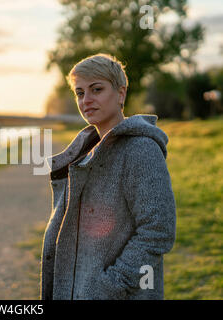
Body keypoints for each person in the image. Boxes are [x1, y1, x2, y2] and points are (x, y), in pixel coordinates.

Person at [40, 53, 176, 300]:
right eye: (80, 93)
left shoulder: (141, 150)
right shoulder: (84, 152)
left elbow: (158, 230)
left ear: (121, 93)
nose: (86, 100)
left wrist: (107, 287)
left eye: (96, 89)